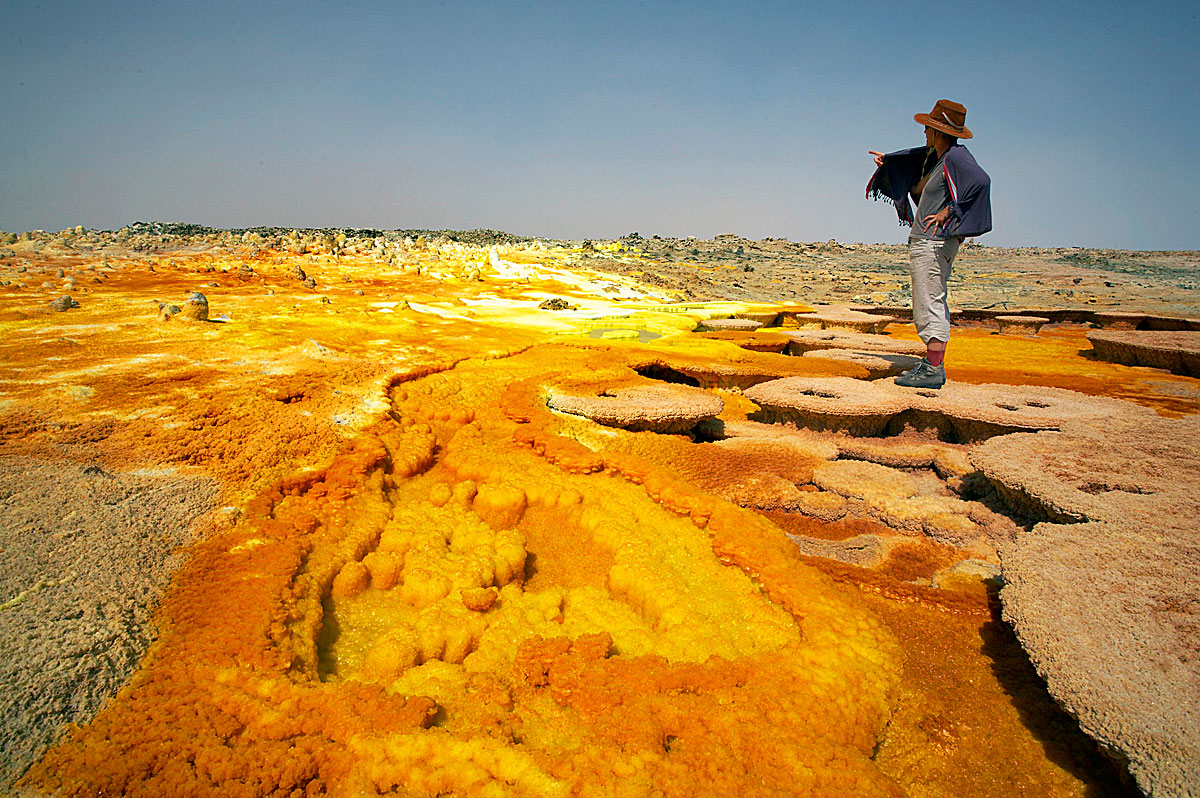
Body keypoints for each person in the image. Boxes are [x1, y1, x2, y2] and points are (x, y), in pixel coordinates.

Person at [865, 99, 991, 389]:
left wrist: (949, 213)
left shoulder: (957, 158)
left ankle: (934, 371)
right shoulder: (938, 160)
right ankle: (931, 364)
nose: (924, 133)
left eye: (927, 128)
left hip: (934, 243)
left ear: (939, 132)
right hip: (927, 242)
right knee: (927, 302)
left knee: (929, 303)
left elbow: (981, 183)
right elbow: (917, 185)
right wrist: (891, 165)